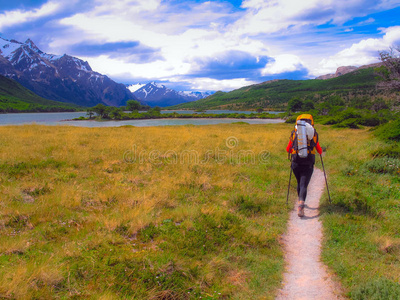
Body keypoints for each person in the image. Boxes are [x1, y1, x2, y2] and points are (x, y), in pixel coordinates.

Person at [286, 114, 323, 217]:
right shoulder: (313, 134)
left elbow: (288, 149)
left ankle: (300, 202)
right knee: (303, 184)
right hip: (308, 161)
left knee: (299, 182)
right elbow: (319, 150)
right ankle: (301, 205)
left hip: (296, 161)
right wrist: (319, 151)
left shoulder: (295, 133)